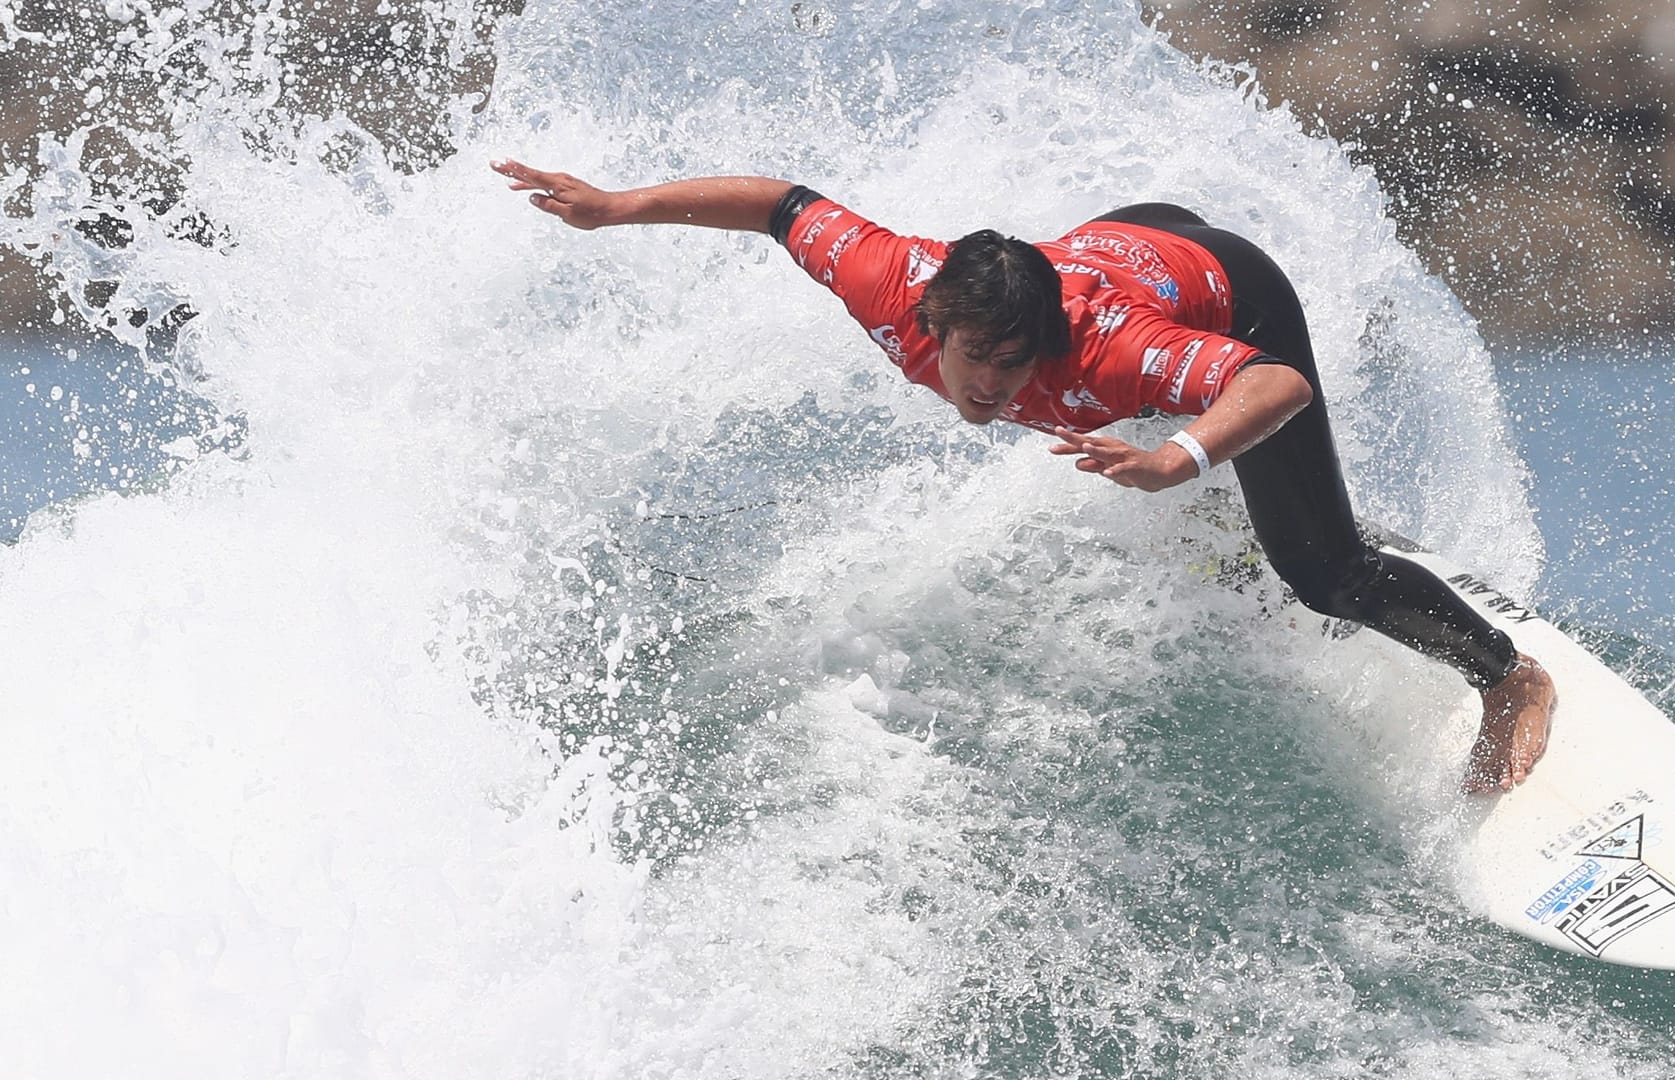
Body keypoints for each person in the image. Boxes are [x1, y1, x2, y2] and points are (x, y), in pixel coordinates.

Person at [491, 160, 1557, 793]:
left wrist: (1177, 457)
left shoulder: (1107, 353)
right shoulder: (887, 278)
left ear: (1045, 341)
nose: (993, 387)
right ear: (933, 321)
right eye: (975, 359)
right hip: (1136, 234)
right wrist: (617, 208)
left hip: (1227, 291)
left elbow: (1275, 385)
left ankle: (1506, 678)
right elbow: (779, 204)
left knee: (1320, 574)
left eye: (1016, 365)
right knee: (1238, 534)